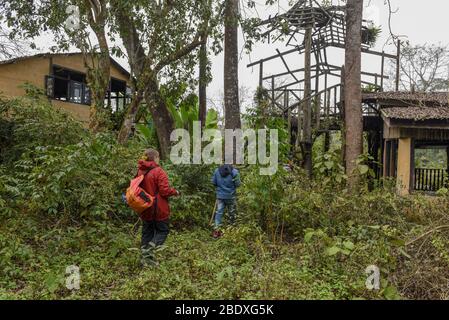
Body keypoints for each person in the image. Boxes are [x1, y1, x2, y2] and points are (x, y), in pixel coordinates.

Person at [137, 148, 179, 266]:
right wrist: (175, 192)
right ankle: (150, 254)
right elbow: (164, 191)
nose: (159, 159)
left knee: (147, 232)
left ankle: (144, 259)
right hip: (158, 208)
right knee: (163, 230)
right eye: (158, 157)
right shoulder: (158, 171)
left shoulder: (141, 170)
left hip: (145, 208)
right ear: (155, 158)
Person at [211, 164, 241, 238]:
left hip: (220, 196)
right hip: (231, 196)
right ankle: (232, 230)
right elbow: (238, 184)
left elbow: (213, 182)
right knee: (232, 213)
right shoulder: (235, 172)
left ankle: (216, 231)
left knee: (219, 212)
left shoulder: (217, 171)